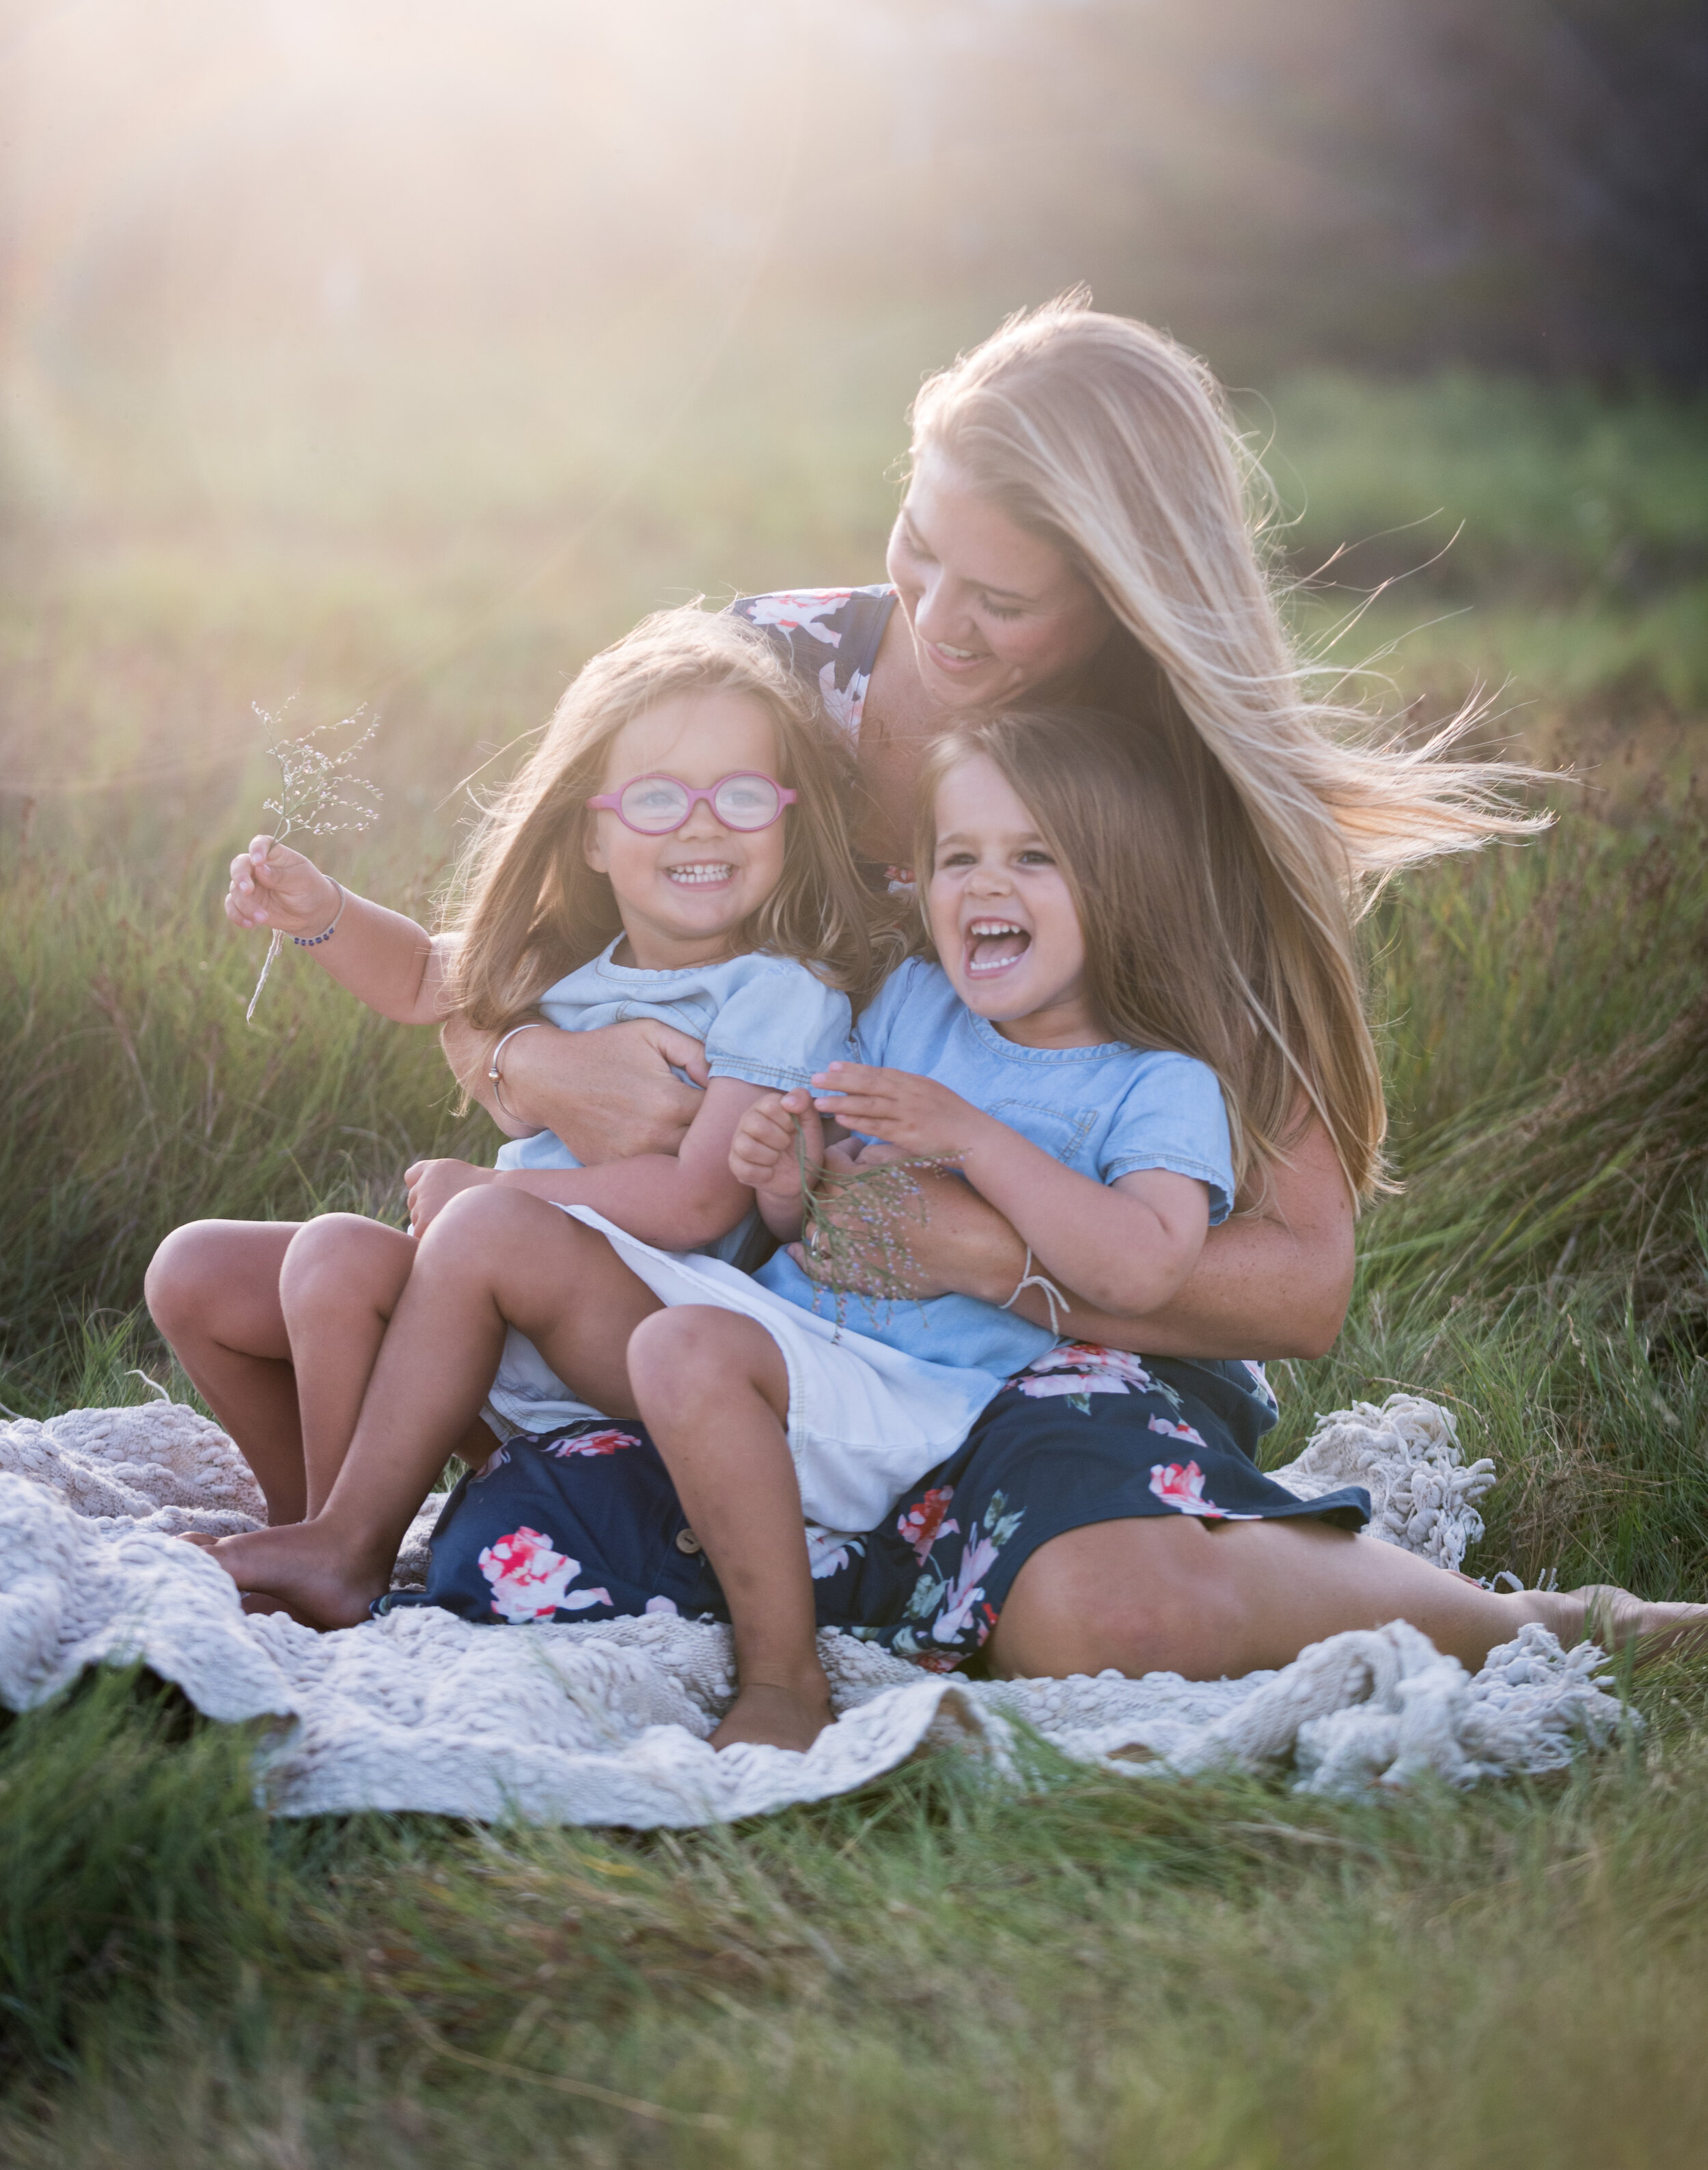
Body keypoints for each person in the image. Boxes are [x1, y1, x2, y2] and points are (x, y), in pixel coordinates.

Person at [150, 297, 1708, 1679]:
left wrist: (985, 1255)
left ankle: (1535, 1623)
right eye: (917, 546)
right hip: (738, 1289)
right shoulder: (764, 673)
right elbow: (491, 970)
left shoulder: (1168, 815)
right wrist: (531, 1075)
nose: (932, 620)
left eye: (1001, 598)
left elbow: (1298, 1284)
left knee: (1114, 1622)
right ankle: (465, 1543)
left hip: (1033, 1332)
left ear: (1115, 598)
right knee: (346, 1359)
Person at [150, 608, 896, 1528]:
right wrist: (318, 911)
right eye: (658, 798)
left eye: (741, 796)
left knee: (364, 1251)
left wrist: (487, 1203)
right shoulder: (580, 957)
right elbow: (425, 972)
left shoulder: (779, 988)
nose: (702, 828)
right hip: (484, 1306)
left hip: (626, 1331)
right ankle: (313, 1528)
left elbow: (701, 1204)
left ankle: (348, 1546)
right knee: (207, 1271)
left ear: (785, 816)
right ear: (591, 835)